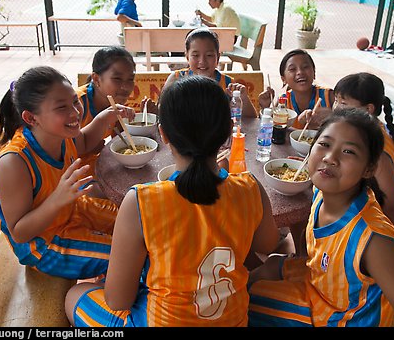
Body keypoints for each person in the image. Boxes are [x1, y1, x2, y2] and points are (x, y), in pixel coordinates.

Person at [65, 76, 280, 327]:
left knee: (74, 295)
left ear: (163, 135)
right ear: (226, 137)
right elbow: (268, 242)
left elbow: (118, 300)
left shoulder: (141, 201)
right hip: (233, 320)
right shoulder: (250, 187)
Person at [247, 108, 394, 327]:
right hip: (319, 282)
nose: (330, 158)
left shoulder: (372, 237)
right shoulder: (322, 192)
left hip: (341, 317)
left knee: (248, 301)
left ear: (369, 169)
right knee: (270, 266)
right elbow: (309, 246)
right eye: (325, 144)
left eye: (349, 152)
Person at [0, 66, 135, 279]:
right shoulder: (14, 162)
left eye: (74, 101)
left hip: (72, 211)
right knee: (132, 256)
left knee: (140, 225)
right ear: (31, 118)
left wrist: (106, 117)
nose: (75, 113)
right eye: (61, 108)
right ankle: (99, 301)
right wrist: (57, 199)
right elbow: (20, 232)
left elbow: (83, 142)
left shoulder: (61, 132)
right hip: (44, 245)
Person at [332, 72, 394, 227]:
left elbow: (393, 206)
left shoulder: (377, 149)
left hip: (383, 210)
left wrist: (384, 237)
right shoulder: (361, 128)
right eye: (336, 101)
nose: (335, 108)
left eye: (343, 104)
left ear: (368, 109)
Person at [76, 46, 155, 175]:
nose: (126, 87)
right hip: (75, 174)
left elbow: (122, 140)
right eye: (117, 79)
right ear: (96, 79)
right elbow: (70, 147)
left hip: (98, 165)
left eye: (130, 79)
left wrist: (145, 122)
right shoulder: (76, 105)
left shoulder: (115, 101)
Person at [162, 27, 257, 118]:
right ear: (187, 57)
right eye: (195, 55)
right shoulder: (177, 78)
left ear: (218, 57)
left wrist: (243, 98)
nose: (202, 61)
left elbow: (250, 118)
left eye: (209, 55)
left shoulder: (228, 85)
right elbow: (162, 110)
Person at [258, 49, 334, 129]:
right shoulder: (283, 102)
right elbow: (269, 130)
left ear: (314, 72)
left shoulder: (328, 97)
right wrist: (265, 108)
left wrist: (333, 115)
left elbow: (347, 121)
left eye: (305, 67)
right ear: (283, 79)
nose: (300, 72)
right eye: (292, 69)